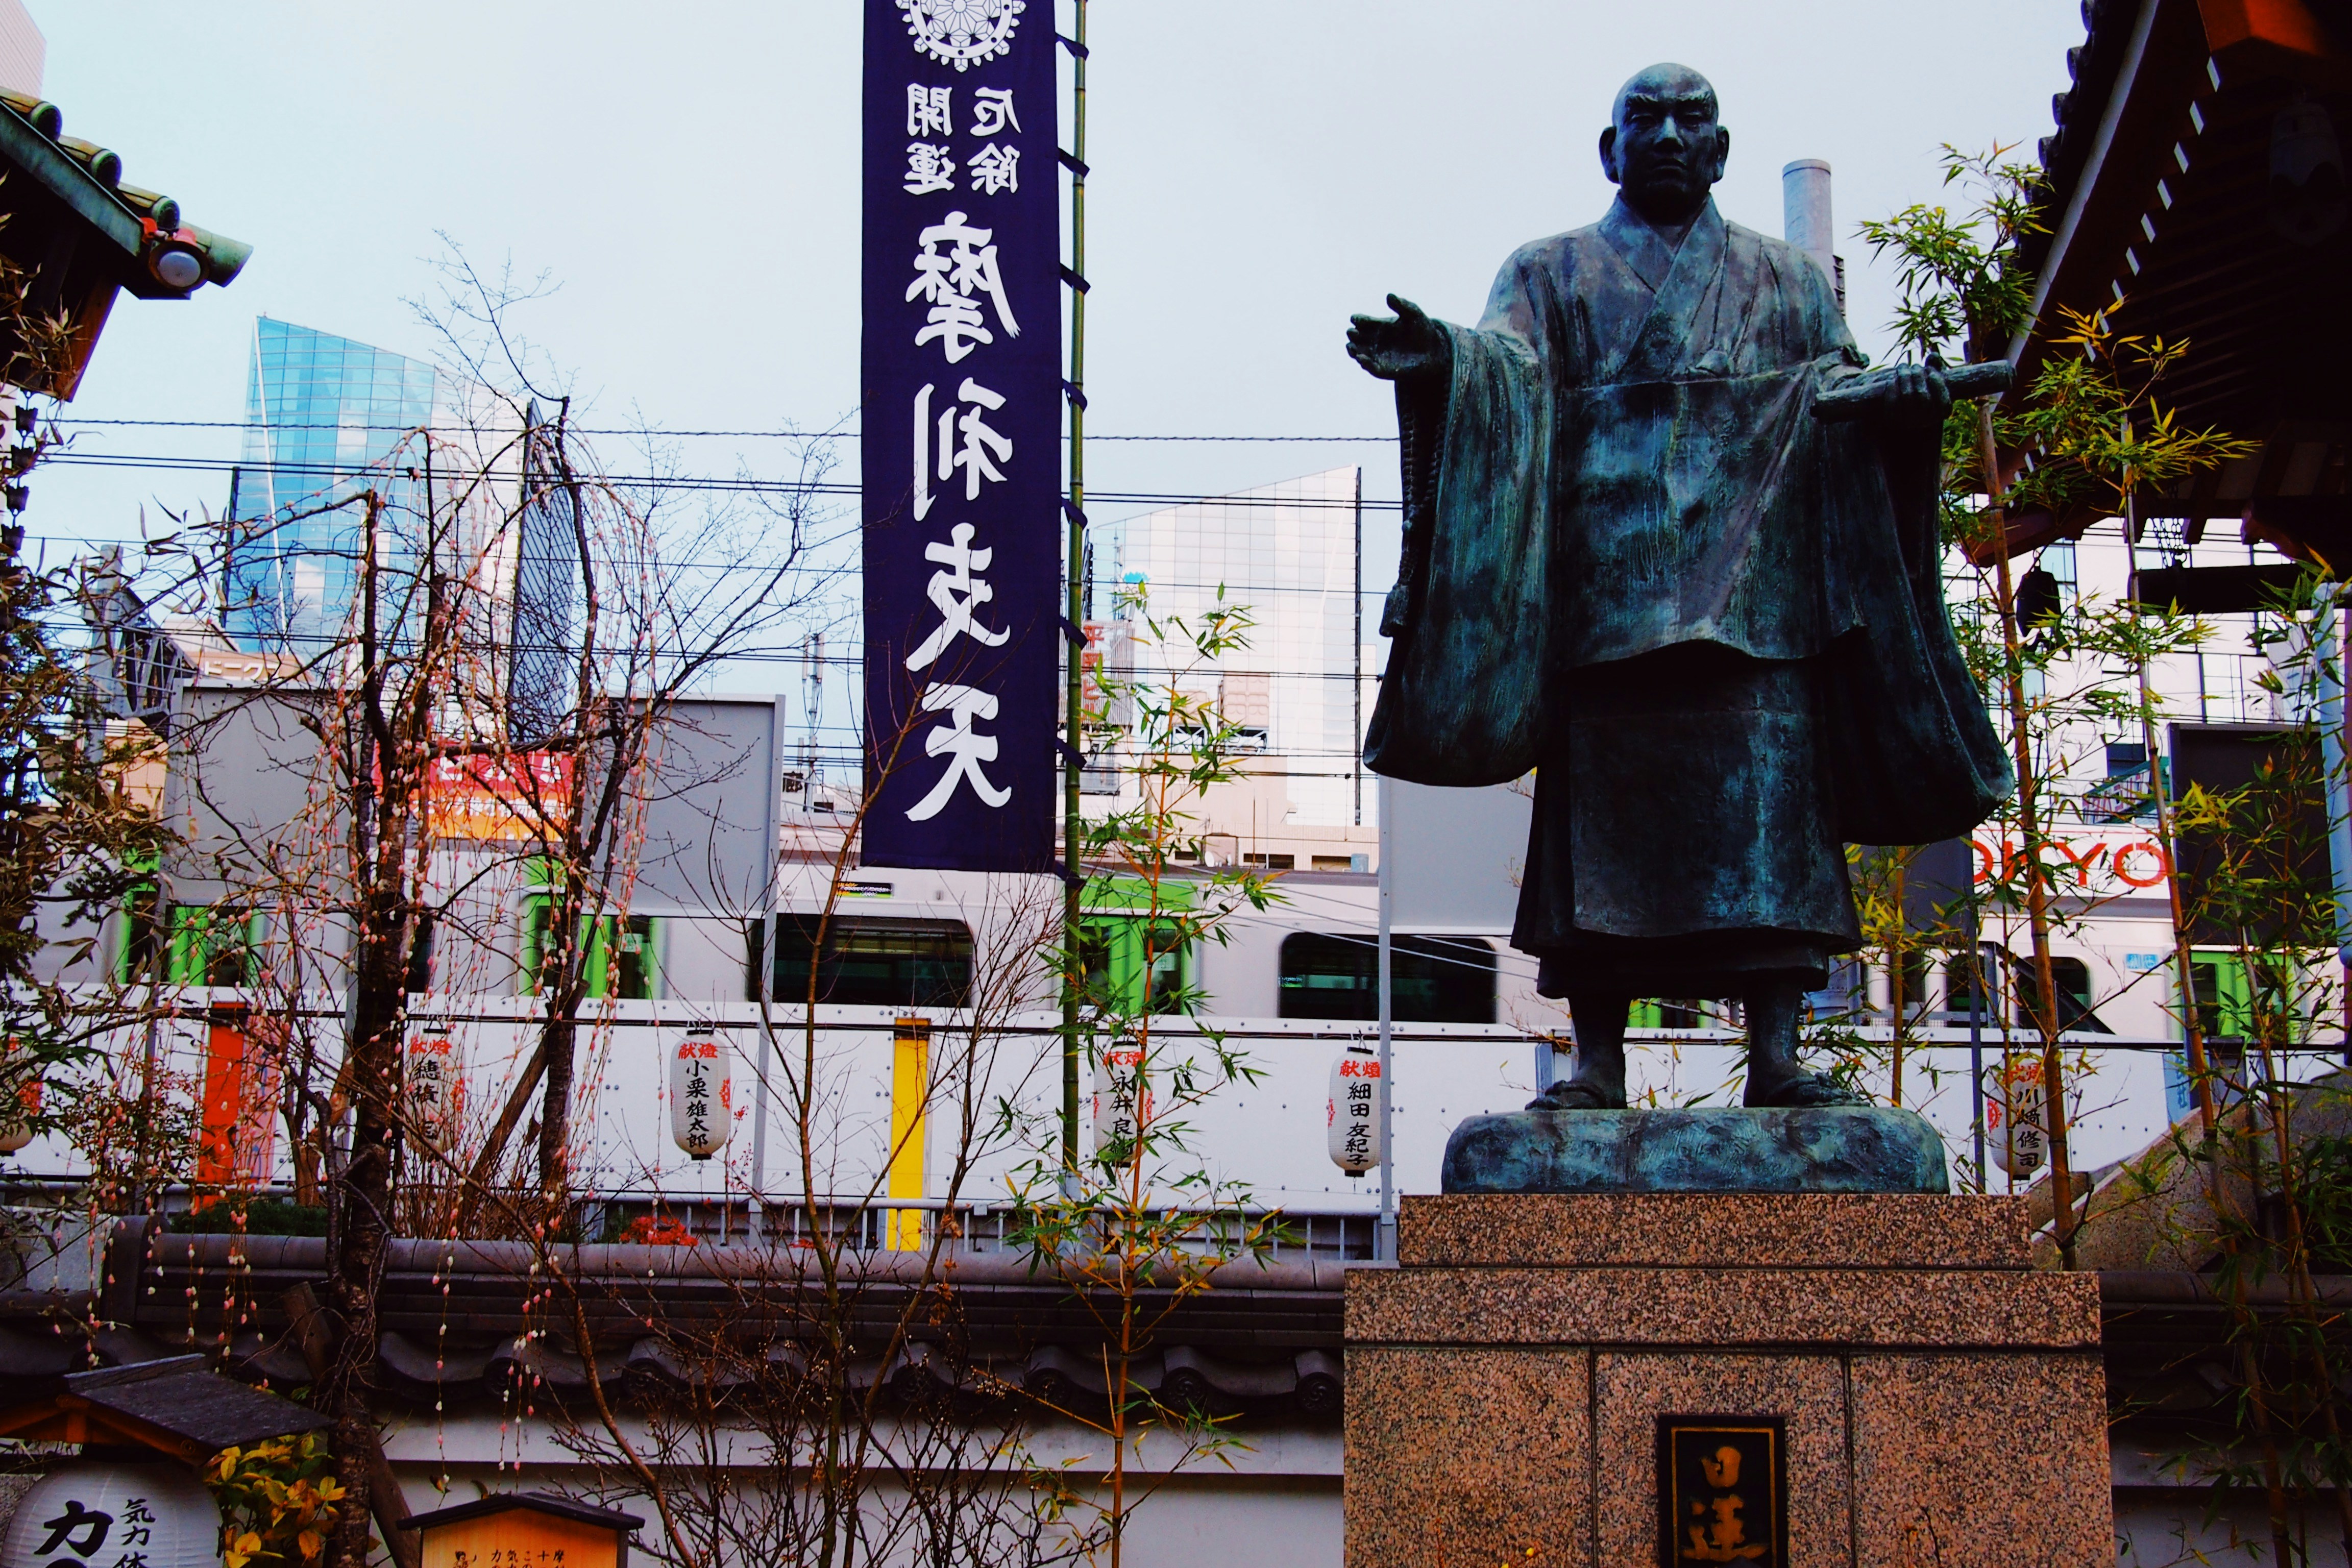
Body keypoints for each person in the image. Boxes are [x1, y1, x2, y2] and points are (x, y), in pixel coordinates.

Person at [1346, 63, 2007, 1110]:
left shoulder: (1787, 282)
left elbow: (1839, 395)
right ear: (1608, 151)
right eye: (1641, 120)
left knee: (1775, 832)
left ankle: (1779, 1057)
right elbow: (1505, 373)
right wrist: (1444, 361)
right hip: (1603, 604)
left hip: (1757, 601)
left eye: (1686, 119)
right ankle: (1594, 1060)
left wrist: (1907, 402)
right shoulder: (1549, 273)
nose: (1664, 135)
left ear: (1720, 149)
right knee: (1599, 841)